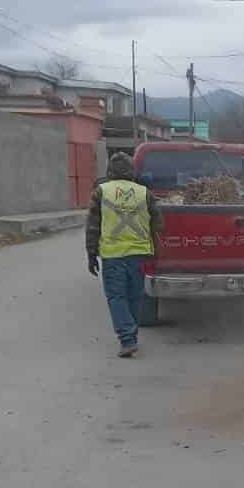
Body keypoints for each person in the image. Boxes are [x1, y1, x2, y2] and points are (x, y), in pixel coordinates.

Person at [86, 152, 162, 357]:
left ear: (110, 171)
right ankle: (131, 335)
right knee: (135, 296)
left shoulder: (101, 191)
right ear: (132, 171)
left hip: (112, 255)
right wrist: (156, 254)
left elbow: (93, 226)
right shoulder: (145, 193)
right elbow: (157, 226)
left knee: (117, 297)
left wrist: (91, 254)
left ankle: (127, 339)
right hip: (139, 254)